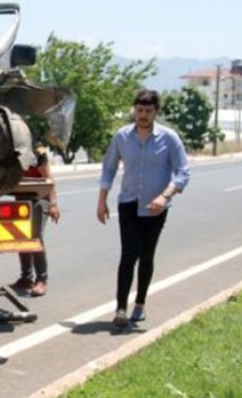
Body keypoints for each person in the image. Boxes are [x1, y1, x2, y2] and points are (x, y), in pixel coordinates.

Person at [96, 89, 190, 328]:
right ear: (134, 110)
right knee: (128, 255)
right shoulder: (122, 136)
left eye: (148, 111)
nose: (143, 115)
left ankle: (140, 303)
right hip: (128, 203)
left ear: (155, 112)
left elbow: (183, 173)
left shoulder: (169, 138)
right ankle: (119, 309)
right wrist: (102, 200)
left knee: (146, 255)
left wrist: (165, 196)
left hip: (155, 207)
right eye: (139, 110)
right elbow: (108, 169)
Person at [10, 144, 60, 297]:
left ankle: (41, 279)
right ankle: (26, 277)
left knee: (35, 237)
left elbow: (49, 178)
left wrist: (53, 204)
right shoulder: (11, 152)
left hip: (40, 198)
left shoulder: (39, 152)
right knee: (21, 236)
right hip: (22, 198)